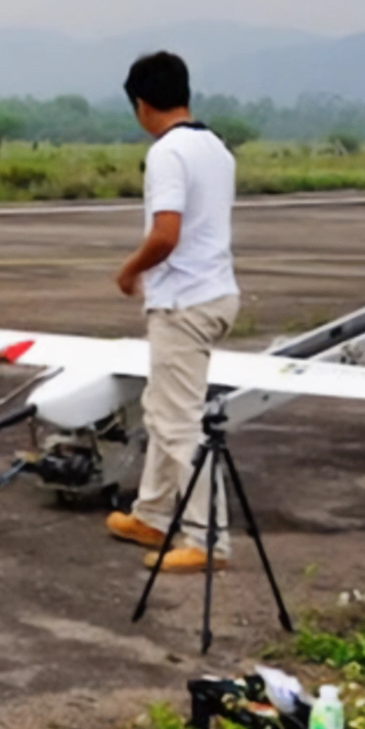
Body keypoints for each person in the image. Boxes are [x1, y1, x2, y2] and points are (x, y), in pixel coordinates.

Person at [107, 51, 241, 571]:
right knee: (162, 410)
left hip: (184, 301)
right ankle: (153, 514)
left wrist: (129, 271)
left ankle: (207, 540)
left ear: (141, 105)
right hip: (214, 292)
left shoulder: (167, 154)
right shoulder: (216, 148)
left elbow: (165, 234)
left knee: (179, 421)